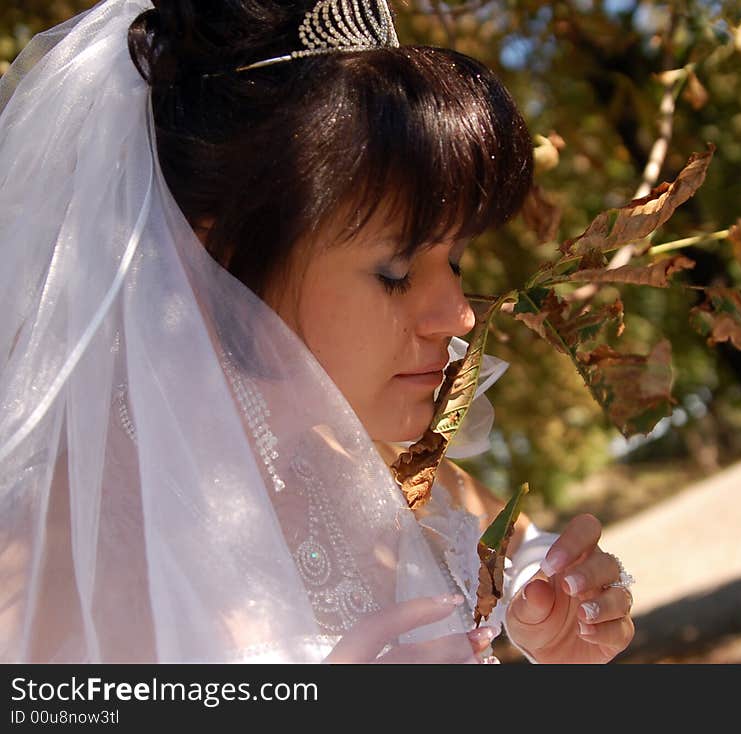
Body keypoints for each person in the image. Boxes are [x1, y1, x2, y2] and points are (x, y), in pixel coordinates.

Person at [0, 0, 634, 663]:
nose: (460, 316)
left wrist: (558, 613)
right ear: (222, 256)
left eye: (456, 260)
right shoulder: (49, 557)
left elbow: (530, 557)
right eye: (394, 271)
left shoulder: (386, 474)